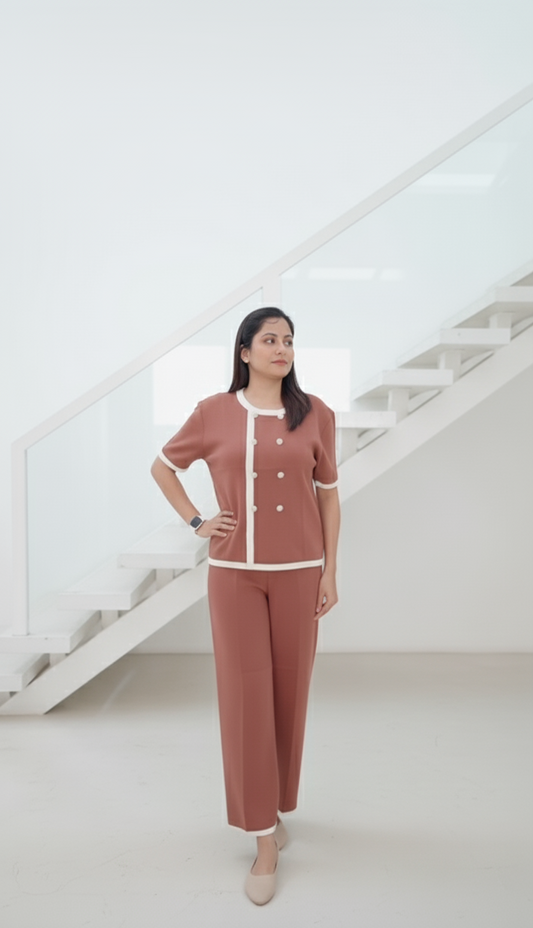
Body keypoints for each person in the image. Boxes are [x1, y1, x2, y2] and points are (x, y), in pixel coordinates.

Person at [151, 306, 340, 905]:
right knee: (245, 699)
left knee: (289, 696)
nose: (282, 348)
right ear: (244, 351)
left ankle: (277, 807)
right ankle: (262, 839)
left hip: (299, 575)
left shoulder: (318, 417)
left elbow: (329, 497)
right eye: (269, 339)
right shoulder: (213, 412)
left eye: (288, 340)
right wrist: (198, 520)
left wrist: (330, 570)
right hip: (234, 577)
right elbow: (164, 466)